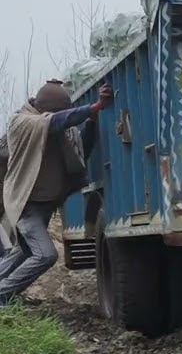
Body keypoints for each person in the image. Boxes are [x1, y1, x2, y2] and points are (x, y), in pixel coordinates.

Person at [0, 80, 112, 305]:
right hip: (25, 206)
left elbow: (81, 156)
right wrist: (95, 106)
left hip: (44, 205)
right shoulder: (23, 122)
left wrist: (90, 122)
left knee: (22, 253)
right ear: (46, 109)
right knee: (46, 255)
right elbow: (59, 120)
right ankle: (2, 295)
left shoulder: (59, 130)